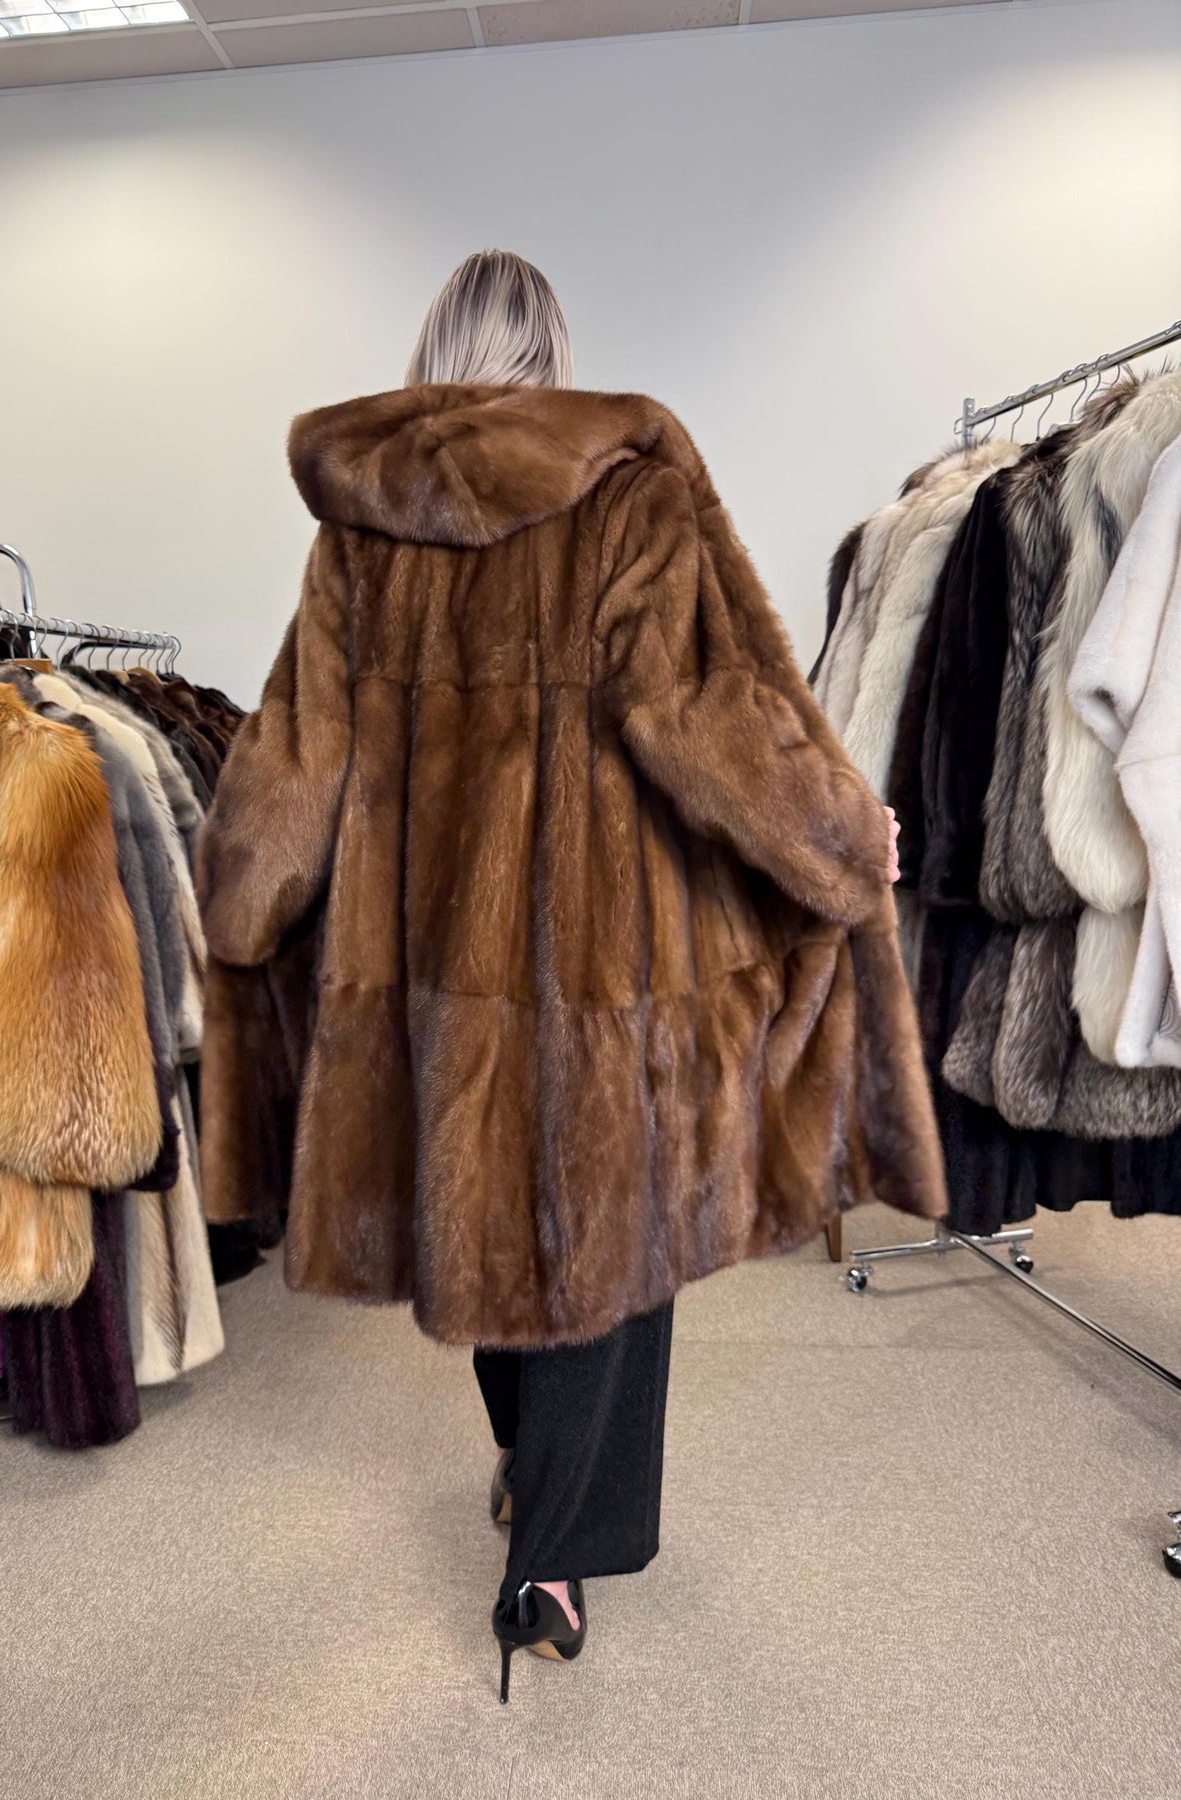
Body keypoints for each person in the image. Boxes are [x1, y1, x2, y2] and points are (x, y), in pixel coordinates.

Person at [196, 250, 939, 1703]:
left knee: (477, 1233)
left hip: (428, 970)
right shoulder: (627, 497)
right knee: (609, 1254)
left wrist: (238, 904)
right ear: (554, 356)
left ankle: (519, 1463)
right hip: (599, 964)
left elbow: (298, 752)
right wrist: (842, 837)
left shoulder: (359, 535)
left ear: (433, 353)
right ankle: (550, 1563)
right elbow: (703, 715)